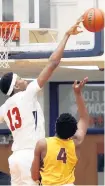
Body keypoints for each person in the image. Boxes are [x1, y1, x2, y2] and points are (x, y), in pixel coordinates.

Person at [0, 18, 83, 186]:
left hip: (15, 159)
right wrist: (66, 35)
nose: (24, 80)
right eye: (21, 79)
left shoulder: (4, 108)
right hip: (30, 155)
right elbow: (53, 63)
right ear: (16, 85)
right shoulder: (27, 94)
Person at [31, 77, 90, 186]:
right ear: (73, 132)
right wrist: (77, 94)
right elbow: (84, 118)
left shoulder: (42, 144)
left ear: (56, 126)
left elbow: (34, 176)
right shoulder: (76, 142)